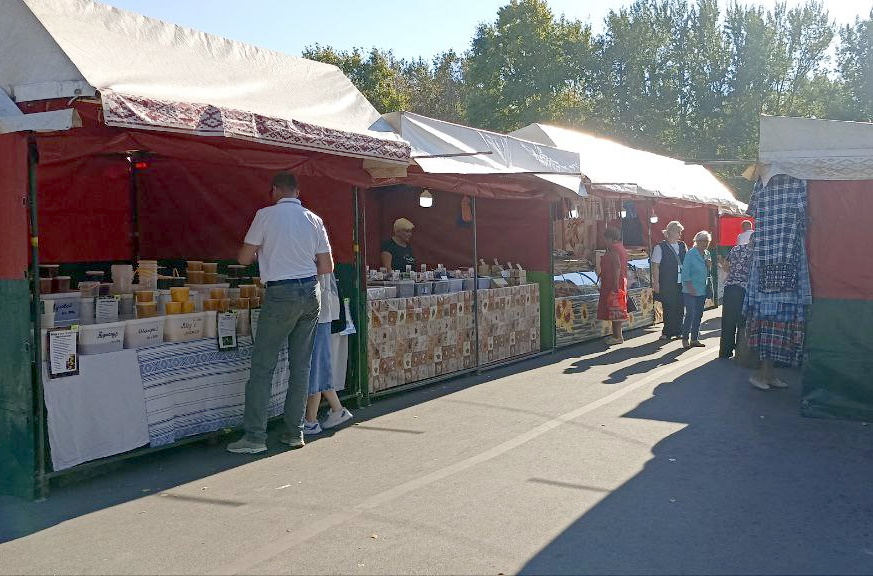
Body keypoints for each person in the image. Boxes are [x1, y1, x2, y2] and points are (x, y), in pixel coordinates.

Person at [227, 172, 333, 454]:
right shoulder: (314, 219)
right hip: (311, 293)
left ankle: (254, 437)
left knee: (263, 367)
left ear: (274, 190)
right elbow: (327, 266)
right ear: (298, 192)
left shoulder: (265, 216)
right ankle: (294, 432)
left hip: (280, 293)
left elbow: (244, 258)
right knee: (301, 368)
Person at [303, 273, 354, 435]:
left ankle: (311, 420)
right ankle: (335, 409)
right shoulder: (320, 249)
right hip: (324, 308)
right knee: (321, 364)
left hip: (317, 309)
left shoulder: (314, 250)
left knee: (317, 365)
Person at [651, 220, 687, 340]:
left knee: (680, 306)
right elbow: (655, 266)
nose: (680, 233)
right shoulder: (659, 247)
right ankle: (667, 331)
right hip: (667, 281)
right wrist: (656, 283)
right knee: (668, 306)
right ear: (670, 232)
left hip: (681, 281)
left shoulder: (682, 245)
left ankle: (679, 330)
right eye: (678, 231)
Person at [719, 232, 753, 358]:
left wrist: (733, 274)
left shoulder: (736, 248)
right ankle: (740, 352)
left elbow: (726, 266)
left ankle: (725, 351)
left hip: (730, 288)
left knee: (728, 321)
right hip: (744, 290)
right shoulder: (755, 253)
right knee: (742, 321)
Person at [681, 230, 712, 349]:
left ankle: (694, 338)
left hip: (702, 288)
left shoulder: (707, 254)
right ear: (696, 242)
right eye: (702, 241)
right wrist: (690, 287)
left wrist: (709, 266)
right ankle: (685, 338)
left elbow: (707, 272)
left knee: (699, 314)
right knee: (690, 314)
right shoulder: (690, 254)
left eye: (707, 241)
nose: (704, 243)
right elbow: (685, 272)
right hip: (690, 289)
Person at [597, 227, 628, 345]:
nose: (605, 241)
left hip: (614, 283)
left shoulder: (614, 249)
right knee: (616, 309)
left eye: (605, 239)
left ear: (609, 238)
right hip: (618, 282)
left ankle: (617, 336)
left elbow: (617, 266)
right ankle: (616, 335)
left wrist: (615, 286)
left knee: (615, 309)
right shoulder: (621, 247)